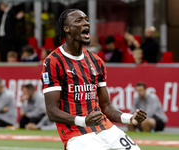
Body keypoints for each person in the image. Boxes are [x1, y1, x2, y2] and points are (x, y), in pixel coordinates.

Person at [41, 9, 147, 150]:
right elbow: (52, 111)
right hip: (77, 135)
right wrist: (83, 121)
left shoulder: (96, 61)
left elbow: (106, 106)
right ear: (66, 29)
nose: (86, 23)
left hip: (107, 129)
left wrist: (130, 118)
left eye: (86, 19)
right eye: (79, 21)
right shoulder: (53, 62)